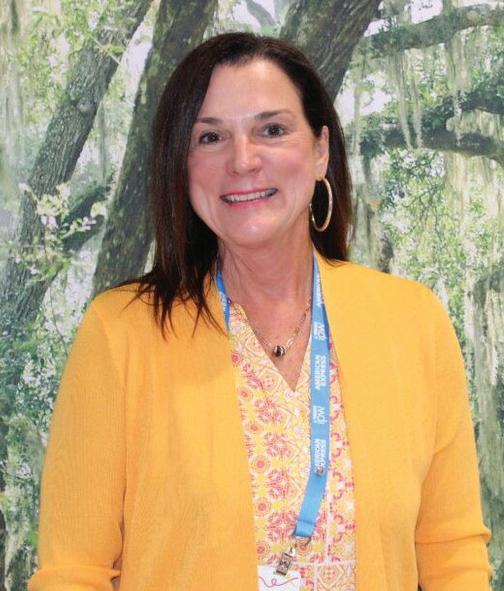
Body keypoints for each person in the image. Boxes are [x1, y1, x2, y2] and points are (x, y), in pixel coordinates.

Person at [28, 32, 491, 591]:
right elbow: (73, 573)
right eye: (211, 137)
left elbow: (452, 556)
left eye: (272, 130)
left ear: (320, 150)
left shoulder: (412, 323)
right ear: (182, 165)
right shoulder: (121, 333)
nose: (243, 160)